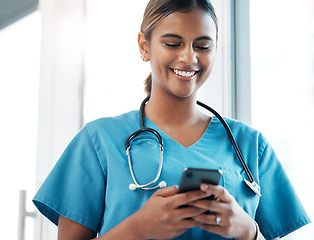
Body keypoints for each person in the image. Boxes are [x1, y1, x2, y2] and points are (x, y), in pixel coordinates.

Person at [33, 0, 310, 239]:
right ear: (144, 45)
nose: (189, 57)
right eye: (172, 43)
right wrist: (138, 229)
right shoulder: (99, 141)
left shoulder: (249, 144)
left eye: (202, 46)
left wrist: (248, 231)